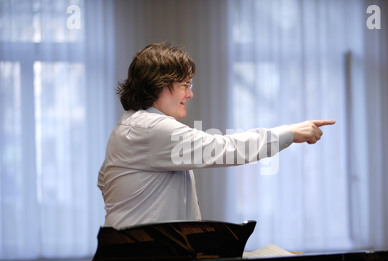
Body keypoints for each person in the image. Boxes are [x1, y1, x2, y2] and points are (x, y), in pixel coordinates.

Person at [98, 43, 335, 228]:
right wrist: (290, 133)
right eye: (185, 85)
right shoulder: (152, 128)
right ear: (159, 84)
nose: (190, 94)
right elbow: (224, 148)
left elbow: (104, 179)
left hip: (139, 258)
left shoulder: (129, 126)